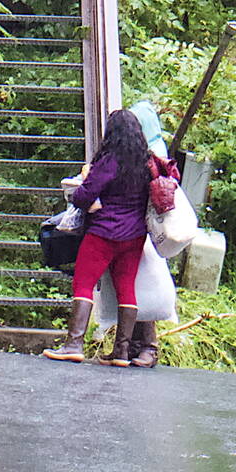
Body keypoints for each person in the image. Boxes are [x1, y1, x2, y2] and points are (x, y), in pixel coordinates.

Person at [44, 109, 153, 365]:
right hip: (135, 235)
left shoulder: (110, 160)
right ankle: (122, 352)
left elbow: (84, 197)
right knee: (126, 288)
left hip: (104, 233)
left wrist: (80, 187)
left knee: (83, 282)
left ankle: (73, 344)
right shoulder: (146, 163)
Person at [94, 102, 178, 367]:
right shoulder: (143, 148)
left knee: (145, 285)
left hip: (146, 230)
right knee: (137, 286)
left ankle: (148, 348)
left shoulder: (151, 153)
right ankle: (131, 347)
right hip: (139, 227)